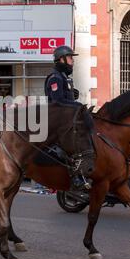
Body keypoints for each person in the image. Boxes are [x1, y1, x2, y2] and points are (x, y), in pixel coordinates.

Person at [44, 45, 93, 190]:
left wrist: (73, 96)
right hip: (57, 121)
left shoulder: (64, 78)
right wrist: (76, 105)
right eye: (71, 58)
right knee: (70, 146)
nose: (73, 61)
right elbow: (57, 101)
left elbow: (65, 97)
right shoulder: (55, 78)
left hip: (66, 119)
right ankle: (75, 177)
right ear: (62, 59)